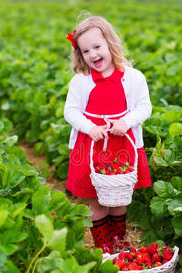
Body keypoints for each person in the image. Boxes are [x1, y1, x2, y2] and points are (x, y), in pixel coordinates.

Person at [64, 16, 152, 253]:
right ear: (80, 55)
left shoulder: (133, 78)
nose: (92, 55)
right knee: (95, 197)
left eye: (97, 47)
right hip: (91, 143)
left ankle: (118, 241)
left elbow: (144, 107)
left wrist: (126, 122)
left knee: (118, 196)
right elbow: (70, 111)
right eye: (85, 51)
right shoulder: (80, 81)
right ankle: (102, 245)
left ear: (110, 43)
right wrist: (89, 128)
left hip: (121, 143)